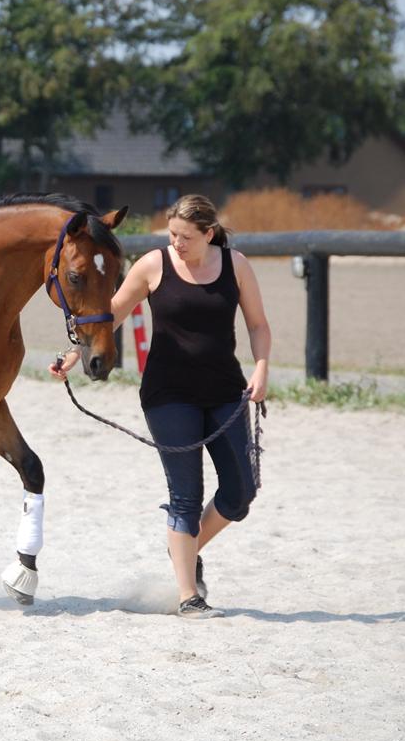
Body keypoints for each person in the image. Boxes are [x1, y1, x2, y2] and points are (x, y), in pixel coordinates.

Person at [50, 194, 271, 619]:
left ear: (209, 234)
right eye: (172, 234)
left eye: (186, 237)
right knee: (186, 497)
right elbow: (112, 313)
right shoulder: (153, 265)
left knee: (241, 493)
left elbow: (258, 325)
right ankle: (189, 597)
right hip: (168, 395)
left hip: (226, 391)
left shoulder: (236, 266)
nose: (177, 243)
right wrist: (74, 353)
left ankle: (184, 547)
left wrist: (261, 368)